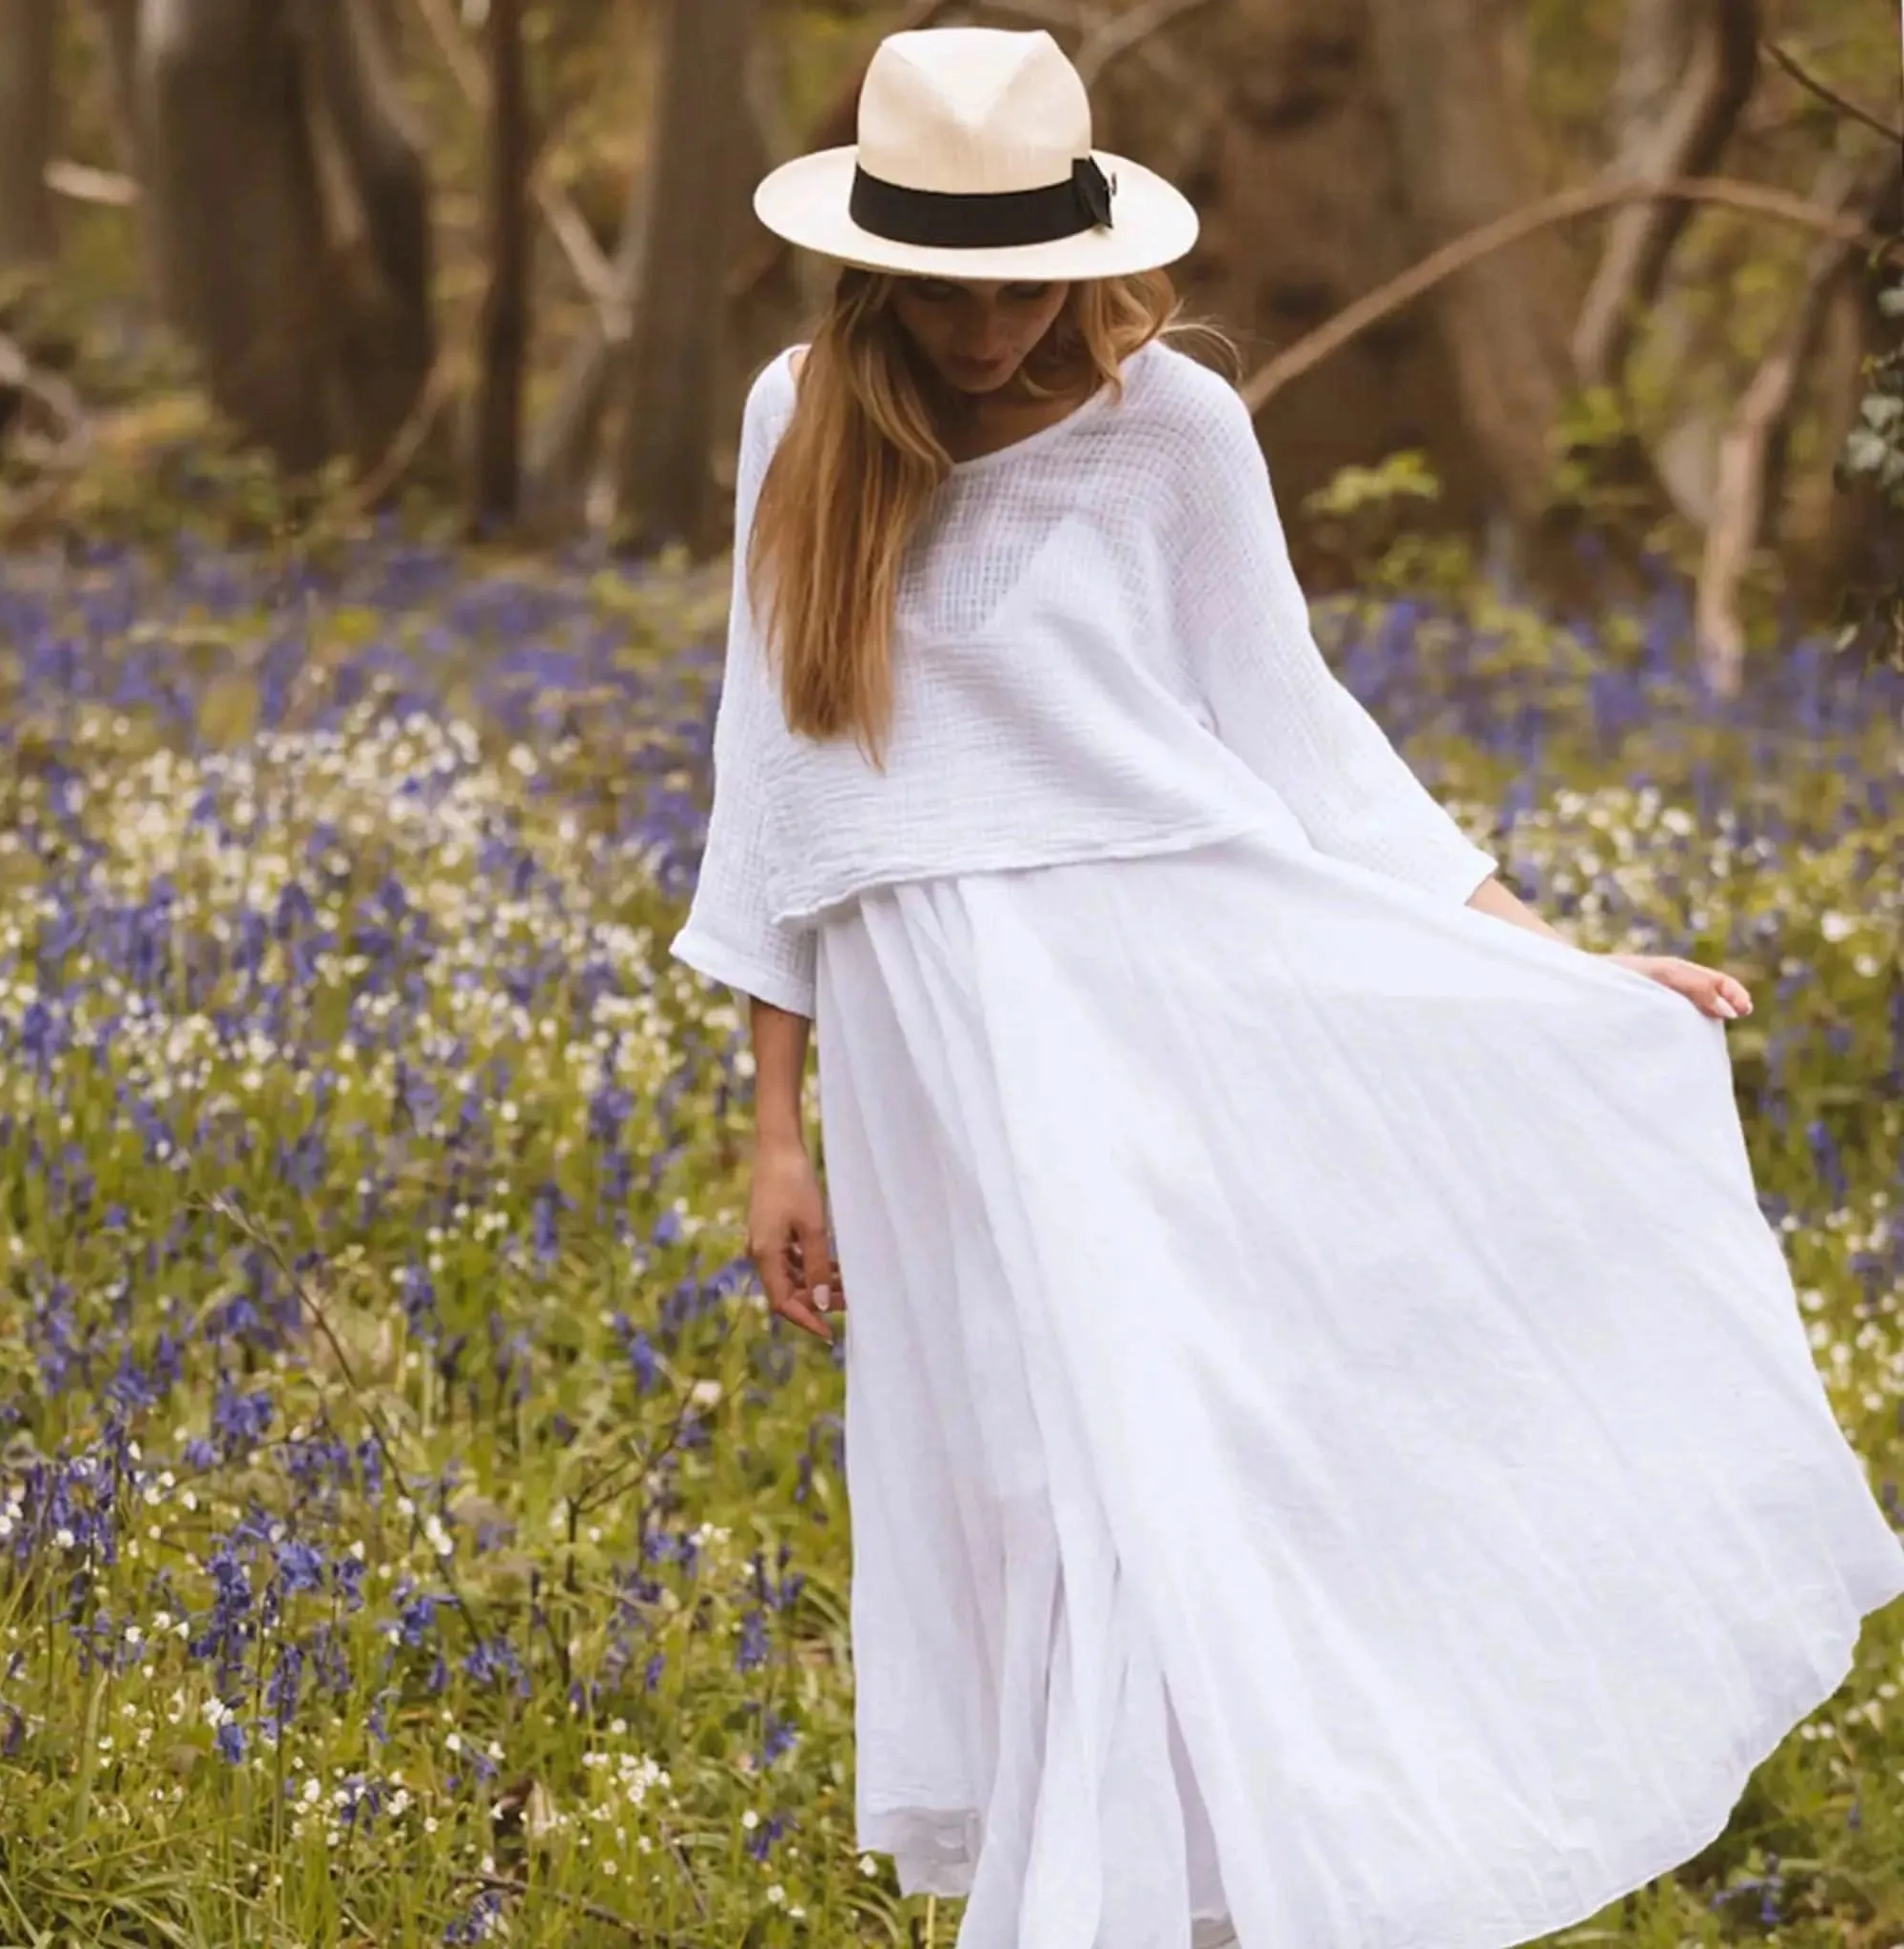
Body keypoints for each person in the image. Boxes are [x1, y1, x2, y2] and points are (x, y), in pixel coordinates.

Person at [669, 26, 1904, 1949]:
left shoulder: (1176, 426)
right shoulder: (796, 420)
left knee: (1164, 1450)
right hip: (929, 1038)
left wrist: (1557, 961)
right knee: (1015, 1471)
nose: (987, 324)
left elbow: (1302, 740)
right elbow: (776, 779)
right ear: (876, 263)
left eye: (1021, 279)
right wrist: (772, 1123)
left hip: (1162, 1000)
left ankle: (1186, 1902)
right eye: (946, 282)